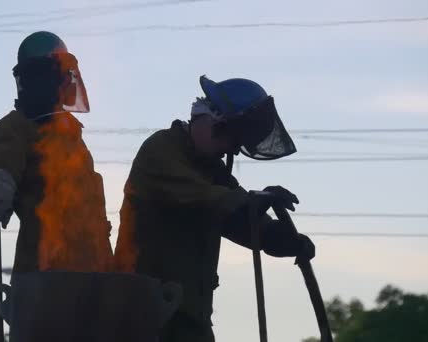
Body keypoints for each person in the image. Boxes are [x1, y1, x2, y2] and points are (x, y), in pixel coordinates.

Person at [0, 31, 177, 341]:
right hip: (47, 284)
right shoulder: (15, 128)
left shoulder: (72, 138)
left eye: (52, 76)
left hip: (96, 284)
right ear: (27, 80)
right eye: (40, 76)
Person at [115, 75, 316, 342]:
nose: (230, 150)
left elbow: (241, 220)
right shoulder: (161, 151)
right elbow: (210, 199)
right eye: (232, 139)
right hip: (143, 317)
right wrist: (251, 203)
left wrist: (281, 238)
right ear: (212, 121)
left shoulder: (211, 170)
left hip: (189, 317)